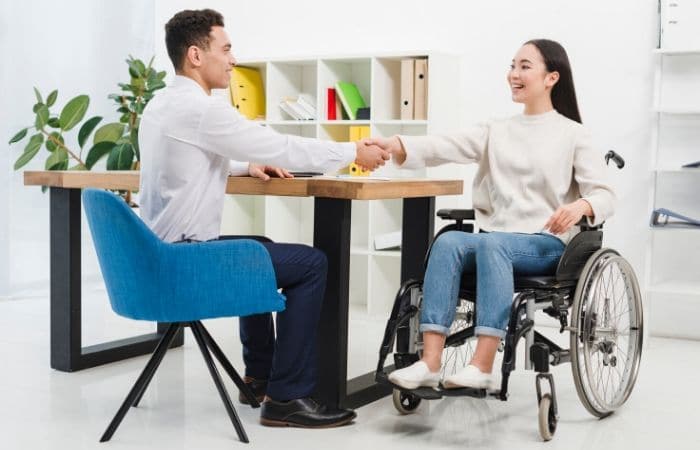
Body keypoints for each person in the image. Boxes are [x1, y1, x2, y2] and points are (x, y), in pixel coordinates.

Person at [139, 8, 389, 428]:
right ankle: (287, 397)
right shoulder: (203, 110)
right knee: (311, 264)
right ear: (196, 56)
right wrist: (351, 152)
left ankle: (258, 375)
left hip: (160, 255)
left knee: (259, 247)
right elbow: (280, 146)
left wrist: (242, 165)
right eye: (226, 48)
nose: (233, 59)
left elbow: (184, 160)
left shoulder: (161, 104)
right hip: (186, 261)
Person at [372, 39, 615, 390]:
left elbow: (605, 195)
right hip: (497, 238)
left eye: (525, 66)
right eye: (512, 65)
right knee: (450, 242)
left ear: (551, 78)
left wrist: (581, 206)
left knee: (492, 246)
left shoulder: (573, 134)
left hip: (545, 244)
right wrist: (398, 144)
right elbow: (446, 144)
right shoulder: (497, 129)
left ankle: (482, 365)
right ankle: (430, 361)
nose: (514, 74)